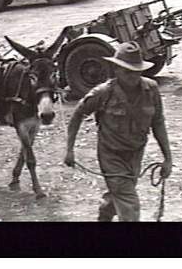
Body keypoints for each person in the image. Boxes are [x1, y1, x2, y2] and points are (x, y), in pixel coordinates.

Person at [64, 41, 172, 222]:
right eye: (127, 70)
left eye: (136, 71)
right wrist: (69, 150)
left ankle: (105, 214)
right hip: (110, 154)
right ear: (116, 70)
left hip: (136, 153)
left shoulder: (151, 89)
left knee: (121, 194)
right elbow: (77, 115)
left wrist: (168, 158)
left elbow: (158, 123)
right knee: (129, 204)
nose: (132, 76)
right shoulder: (103, 92)